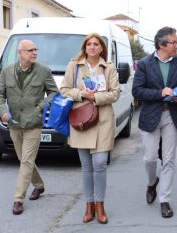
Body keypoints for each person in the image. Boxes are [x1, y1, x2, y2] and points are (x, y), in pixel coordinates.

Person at [60, 33, 120, 224]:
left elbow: (115, 93)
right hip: (81, 119)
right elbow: (64, 89)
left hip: (102, 119)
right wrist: (82, 94)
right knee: (86, 166)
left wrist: (96, 98)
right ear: (85, 47)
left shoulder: (109, 67)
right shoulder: (74, 65)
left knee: (100, 163)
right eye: (89, 44)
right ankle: (89, 206)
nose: (92, 47)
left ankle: (100, 204)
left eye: (96, 44)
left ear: (102, 48)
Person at [0, 39, 58, 215]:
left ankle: (18, 199)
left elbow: (54, 92)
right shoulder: (7, 72)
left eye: (36, 49)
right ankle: (39, 185)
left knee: (27, 160)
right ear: (20, 53)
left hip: (33, 124)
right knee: (24, 160)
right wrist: (1, 111)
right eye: (30, 50)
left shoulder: (43, 71)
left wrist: (40, 107)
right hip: (14, 123)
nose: (34, 52)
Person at [132, 26, 177, 218]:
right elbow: (137, 91)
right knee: (149, 158)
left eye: (176, 42)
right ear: (161, 44)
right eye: (174, 42)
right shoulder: (145, 64)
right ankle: (151, 183)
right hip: (150, 115)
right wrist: (160, 93)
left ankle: (165, 200)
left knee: (169, 159)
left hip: (172, 115)